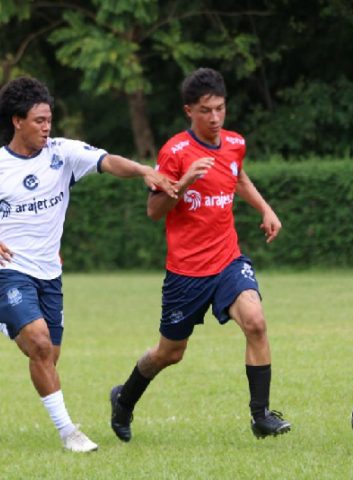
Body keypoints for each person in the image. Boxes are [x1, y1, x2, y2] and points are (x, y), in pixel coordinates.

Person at [0, 77, 176, 451]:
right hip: (6, 266)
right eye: (39, 120)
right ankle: (69, 432)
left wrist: (142, 170)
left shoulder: (62, 153)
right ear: (17, 121)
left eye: (49, 120)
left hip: (49, 270)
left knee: (46, 356)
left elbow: (107, 161)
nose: (46, 127)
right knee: (40, 344)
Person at [108, 67, 292, 442]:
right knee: (170, 353)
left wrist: (265, 208)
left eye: (220, 108)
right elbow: (154, 211)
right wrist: (185, 180)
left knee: (256, 322)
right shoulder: (175, 152)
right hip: (187, 273)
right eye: (206, 110)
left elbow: (238, 177)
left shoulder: (235, 143)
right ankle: (123, 400)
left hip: (227, 261)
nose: (215, 117)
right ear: (189, 111)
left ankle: (261, 417)